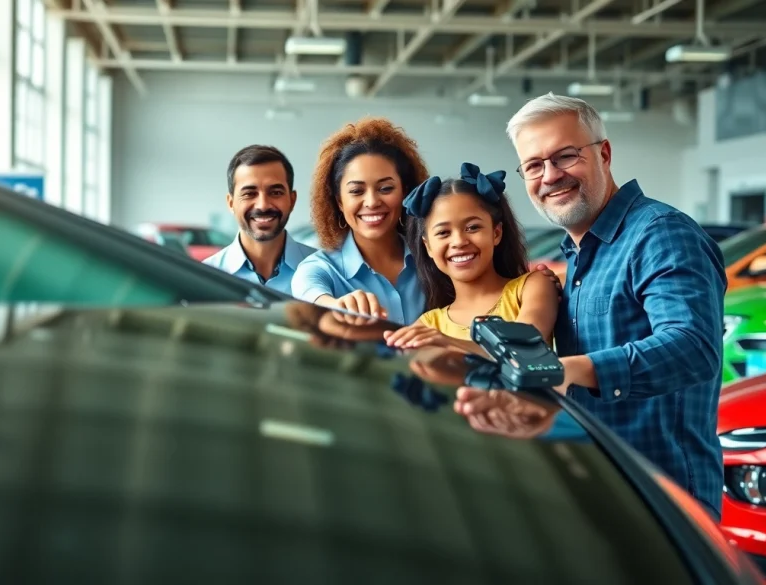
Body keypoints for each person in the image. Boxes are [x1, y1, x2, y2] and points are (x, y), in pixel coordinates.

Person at [456, 92, 727, 520]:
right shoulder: (578, 255)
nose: (549, 176)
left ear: (604, 153)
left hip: (666, 503)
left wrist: (572, 370)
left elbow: (694, 348)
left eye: (564, 156)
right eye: (533, 166)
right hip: (606, 487)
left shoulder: (661, 235)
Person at [382, 162, 559, 351]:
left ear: (496, 233)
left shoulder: (533, 286)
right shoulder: (427, 326)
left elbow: (523, 348)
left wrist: (448, 343)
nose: (459, 241)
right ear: (428, 247)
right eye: (443, 233)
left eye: (472, 227)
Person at [290, 117, 429, 325]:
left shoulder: (432, 258)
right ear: (339, 202)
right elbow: (310, 296)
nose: (372, 202)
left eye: (385, 188)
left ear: (406, 193)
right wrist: (337, 306)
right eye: (356, 191)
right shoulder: (319, 269)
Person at [203, 145, 316, 295]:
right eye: (249, 194)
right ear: (231, 203)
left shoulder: (326, 270)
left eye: (275, 192)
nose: (263, 205)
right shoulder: (206, 277)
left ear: (292, 200)